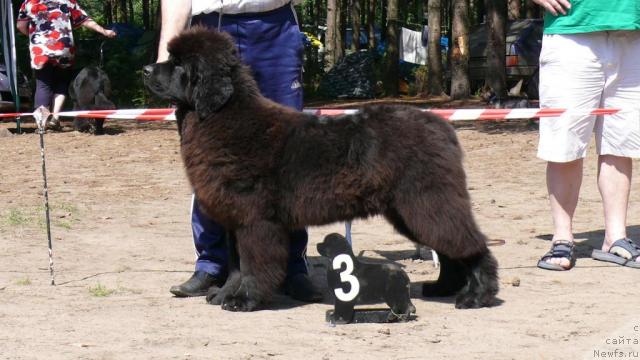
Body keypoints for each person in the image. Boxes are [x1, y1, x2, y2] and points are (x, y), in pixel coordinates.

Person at [157, 0, 322, 301]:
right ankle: (212, 265)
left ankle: (292, 267)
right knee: (211, 157)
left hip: (274, 27)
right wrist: (165, 62)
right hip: (209, 28)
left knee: (287, 154)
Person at [534, 0, 640, 270]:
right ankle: (562, 238)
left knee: (621, 142)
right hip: (572, 31)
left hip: (633, 33)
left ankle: (616, 239)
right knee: (565, 143)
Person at [16, 0, 116, 129]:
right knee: (61, 82)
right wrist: (105, 31)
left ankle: (41, 123)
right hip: (63, 46)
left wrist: (34, 36)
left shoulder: (29, 2)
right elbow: (84, 20)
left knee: (43, 84)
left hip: (40, 47)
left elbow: (20, 25)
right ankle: (55, 119)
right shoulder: (67, 1)